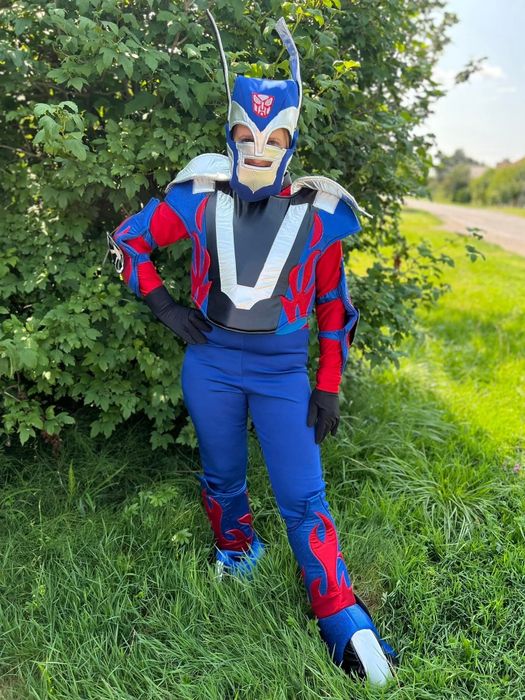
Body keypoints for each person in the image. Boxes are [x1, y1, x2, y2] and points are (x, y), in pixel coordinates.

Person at [108, 13, 396, 685]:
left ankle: (336, 606)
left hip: (281, 371)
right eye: (246, 135)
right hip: (209, 362)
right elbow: (129, 240)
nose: (259, 148)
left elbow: (333, 308)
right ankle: (237, 549)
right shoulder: (198, 197)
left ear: (292, 140)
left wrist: (328, 383)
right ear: (230, 133)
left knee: (303, 494)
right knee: (222, 474)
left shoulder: (318, 213)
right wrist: (164, 306)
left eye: (274, 138)